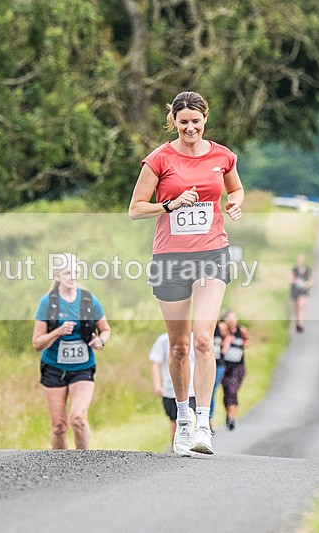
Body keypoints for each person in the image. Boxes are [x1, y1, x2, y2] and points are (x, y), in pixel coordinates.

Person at [128, 91, 244, 456]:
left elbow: (236, 188)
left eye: (196, 121)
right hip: (170, 258)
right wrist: (170, 203)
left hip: (212, 253)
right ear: (174, 122)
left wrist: (235, 201)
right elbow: (135, 209)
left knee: (203, 339)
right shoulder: (159, 159)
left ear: (205, 119)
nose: (190, 128)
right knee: (178, 347)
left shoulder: (222, 156)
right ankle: (181, 419)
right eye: (183, 122)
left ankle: (203, 423)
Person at [32, 254, 111, 450]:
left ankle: (84, 463)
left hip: (82, 368)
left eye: (76, 272)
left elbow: (106, 330)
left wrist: (100, 341)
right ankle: (61, 469)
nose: (72, 276)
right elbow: (37, 343)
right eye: (67, 272)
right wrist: (58, 332)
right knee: (59, 427)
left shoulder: (88, 301)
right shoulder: (48, 303)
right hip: (53, 368)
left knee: (78, 418)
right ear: (57, 276)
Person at [148, 332, 196, 443]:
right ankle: (175, 444)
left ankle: (188, 442)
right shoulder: (163, 340)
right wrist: (157, 385)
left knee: (190, 417)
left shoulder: (195, 338)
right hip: (170, 388)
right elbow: (156, 364)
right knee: (174, 420)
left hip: (191, 389)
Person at [219, 309, 251, 430]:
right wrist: (226, 340)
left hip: (238, 366)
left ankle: (232, 418)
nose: (232, 321)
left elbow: (247, 341)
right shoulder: (223, 331)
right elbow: (219, 347)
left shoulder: (241, 330)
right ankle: (229, 416)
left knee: (232, 390)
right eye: (230, 318)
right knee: (227, 392)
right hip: (225, 365)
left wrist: (243, 343)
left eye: (234, 318)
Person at [289, 254, 313, 333]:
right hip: (295, 291)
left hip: (303, 291)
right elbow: (289, 280)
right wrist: (296, 281)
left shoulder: (308, 270)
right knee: (296, 309)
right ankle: (297, 322)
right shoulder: (294, 270)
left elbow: (311, 280)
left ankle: (301, 324)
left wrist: (307, 285)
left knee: (302, 306)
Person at [209, 319, 227, 422]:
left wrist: (224, 347)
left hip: (218, 364)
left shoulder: (220, 328)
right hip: (205, 365)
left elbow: (227, 337)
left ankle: (209, 418)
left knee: (212, 390)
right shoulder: (202, 327)